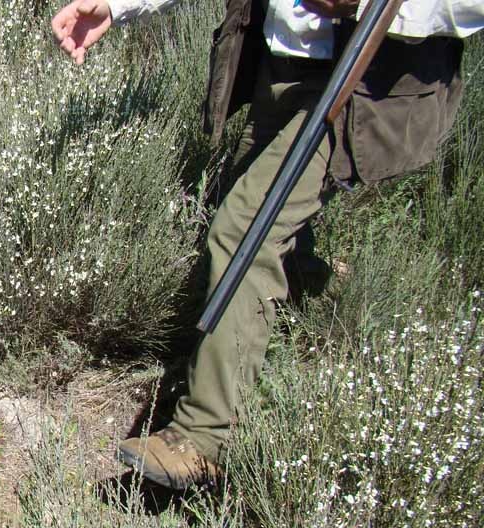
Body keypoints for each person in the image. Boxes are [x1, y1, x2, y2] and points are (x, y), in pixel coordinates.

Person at [52, 0, 484, 489]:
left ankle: (203, 438)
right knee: (261, 217)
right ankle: (303, 332)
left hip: (361, 81)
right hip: (282, 66)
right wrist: (117, 5)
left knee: (245, 231)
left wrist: (362, 4)